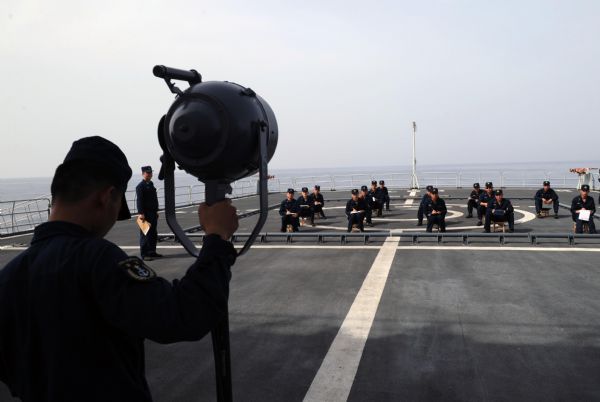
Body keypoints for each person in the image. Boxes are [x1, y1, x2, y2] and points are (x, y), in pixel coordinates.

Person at [0, 136, 239, 402]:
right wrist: (217, 237)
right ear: (108, 197)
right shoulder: (97, 261)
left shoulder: (8, 278)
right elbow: (185, 315)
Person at [136, 165, 161, 260]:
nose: (150, 174)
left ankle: (152, 251)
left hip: (153, 213)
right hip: (145, 213)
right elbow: (140, 200)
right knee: (145, 234)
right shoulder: (140, 186)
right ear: (143, 174)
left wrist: (156, 211)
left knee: (153, 233)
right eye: (148, 173)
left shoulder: (151, 184)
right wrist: (141, 213)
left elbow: (154, 199)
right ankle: (144, 254)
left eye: (150, 173)